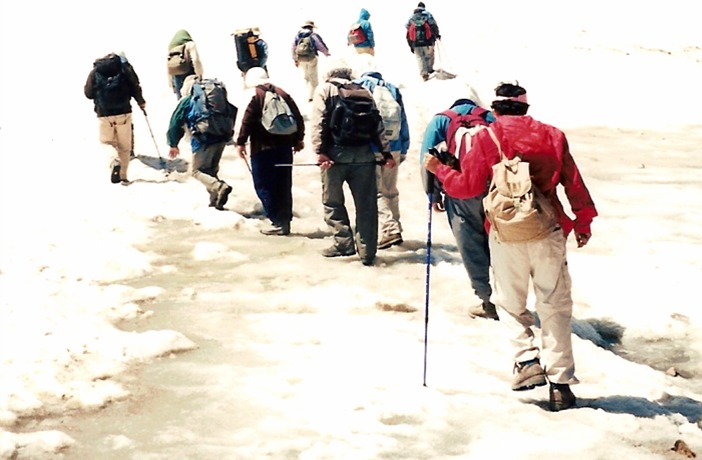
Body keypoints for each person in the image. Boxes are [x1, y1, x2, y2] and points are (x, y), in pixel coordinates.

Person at [424, 82, 598, 411]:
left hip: (505, 233)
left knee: (509, 303)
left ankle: (526, 360)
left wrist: (441, 170)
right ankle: (561, 385)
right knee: (554, 305)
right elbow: (573, 182)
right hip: (548, 230)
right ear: (526, 108)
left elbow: (467, 187)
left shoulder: (485, 137)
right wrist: (583, 222)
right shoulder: (552, 135)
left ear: (496, 110)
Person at [310, 60, 395, 266]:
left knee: (332, 201)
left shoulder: (325, 90)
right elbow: (377, 123)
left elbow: (318, 121)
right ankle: (368, 252)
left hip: (335, 156)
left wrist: (320, 151)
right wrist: (385, 153)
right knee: (366, 205)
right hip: (364, 155)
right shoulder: (363, 91)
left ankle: (343, 243)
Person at [419, 95, 497, 319]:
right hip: (493, 189)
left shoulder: (441, 120)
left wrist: (432, 194)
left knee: (470, 245)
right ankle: (508, 298)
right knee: (497, 243)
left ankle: (487, 301)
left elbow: (427, 158)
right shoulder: (489, 117)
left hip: (459, 190)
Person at [236, 67, 305, 236]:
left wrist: (241, 142)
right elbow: (297, 116)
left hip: (263, 149)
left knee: (264, 184)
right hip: (284, 147)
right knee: (283, 184)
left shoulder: (255, 95)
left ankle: (276, 221)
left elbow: (248, 120)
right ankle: (285, 220)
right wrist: (298, 139)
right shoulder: (282, 93)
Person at [353, 60, 410, 250]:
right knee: (390, 189)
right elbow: (402, 118)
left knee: (375, 191)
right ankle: (396, 227)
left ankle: (390, 229)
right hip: (394, 145)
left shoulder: (360, 87)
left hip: (373, 146)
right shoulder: (391, 88)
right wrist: (403, 147)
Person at [167, 76, 237, 210]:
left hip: (203, 138)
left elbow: (175, 122)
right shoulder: (215, 96)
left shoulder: (189, 100)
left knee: (196, 171)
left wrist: (173, 143)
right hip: (221, 136)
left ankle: (219, 187)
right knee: (210, 170)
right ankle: (215, 201)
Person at [84, 52, 146, 186]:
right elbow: (135, 86)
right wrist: (141, 102)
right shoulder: (123, 69)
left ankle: (114, 160)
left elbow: (88, 93)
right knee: (125, 146)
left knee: (106, 142)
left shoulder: (95, 72)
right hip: (124, 112)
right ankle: (123, 177)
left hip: (104, 114)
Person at [292, 20, 331, 102]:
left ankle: (308, 93)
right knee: (313, 76)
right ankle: (313, 96)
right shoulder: (313, 35)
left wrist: (295, 59)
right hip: (312, 58)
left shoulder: (298, 36)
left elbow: (293, 48)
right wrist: (327, 53)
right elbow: (320, 45)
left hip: (301, 59)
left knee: (306, 76)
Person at [405, 2, 441, 81]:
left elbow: (407, 26)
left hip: (416, 42)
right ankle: (429, 69)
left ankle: (424, 74)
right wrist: (437, 35)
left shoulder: (412, 16)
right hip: (428, 41)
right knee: (429, 55)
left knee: (420, 57)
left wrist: (411, 43)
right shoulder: (427, 15)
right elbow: (434, 25)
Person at [167, 29, 204, 99]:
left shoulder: (171, 47)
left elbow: (169, 67)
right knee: (194, 100)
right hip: (190, 76)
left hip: (176, 78)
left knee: (181, 102)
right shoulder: (189, 44)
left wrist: (171, 84)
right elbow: (196, 60)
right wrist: (199, 75)